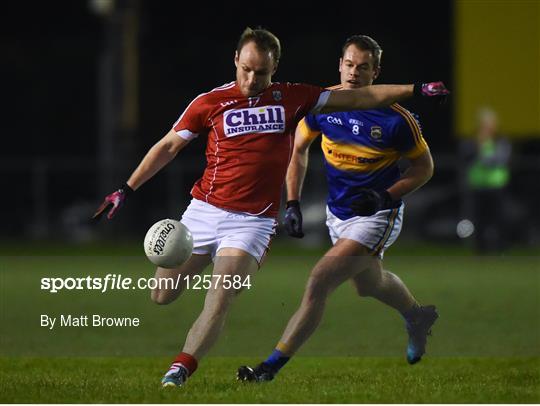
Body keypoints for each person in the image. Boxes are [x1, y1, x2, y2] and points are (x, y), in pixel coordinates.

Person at [93, 28, 448, 387]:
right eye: (246, 69)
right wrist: (126, 188)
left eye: (261, 72)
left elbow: (362, 99)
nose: (251, 79)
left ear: (274, 67)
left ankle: (182, 370)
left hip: (253, 223)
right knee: (162, 294)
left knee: (223, 296)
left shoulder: (293, 98)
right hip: (204, 211)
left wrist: (417, 90)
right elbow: (169, 146)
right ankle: (416, 315)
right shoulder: (209, 102)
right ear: (235, 60)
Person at [237, 35, 441, 383]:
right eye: (349, 64)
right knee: (369, 284)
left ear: (376, 72)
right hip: (338, 213)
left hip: (376, 215)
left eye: (363, 67)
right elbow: (298, 148)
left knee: (319, 280)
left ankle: (268, 369)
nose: (353, 73)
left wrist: (384, 197)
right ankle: (417, 316)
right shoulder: (325, 105)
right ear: (339, 65)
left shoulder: (396, 120)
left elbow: (425, 169)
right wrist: (293, 202)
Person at [464, 107, 511, 252]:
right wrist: (478, 146)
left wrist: (483, 148)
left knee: (498, 218)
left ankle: (500, 248)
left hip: (496, 186)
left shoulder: (500, 141)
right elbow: (466, 158)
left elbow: (499, 160)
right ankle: (480, 250)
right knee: (479, 220)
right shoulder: (472, 141)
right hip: (478, 186)